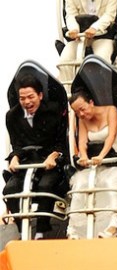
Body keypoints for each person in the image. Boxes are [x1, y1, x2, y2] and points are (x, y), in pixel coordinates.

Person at [3, 74, 68, 239]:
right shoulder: (12, 116)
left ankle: (42, 228)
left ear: (40, 95)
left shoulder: (54, 112)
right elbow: (16, 144)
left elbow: (61, 142)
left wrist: (53, 156)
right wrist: (14, 158)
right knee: (10, 190)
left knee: (46, 186)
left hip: (49, 159)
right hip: (26, 160)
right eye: (22, 98)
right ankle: (21, 227)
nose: (27, 102)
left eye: (31, 97)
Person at [66, 90, 117, 239]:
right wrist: (83, 156)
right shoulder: (82, 119)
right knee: (81, 185)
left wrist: (101, 155)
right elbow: (82, 143)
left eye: (83, 109)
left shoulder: (111, 110)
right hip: (97, 161)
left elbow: (111, 136)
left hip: (116, 157)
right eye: (77, 112)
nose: (81, 114)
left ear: (91, 102)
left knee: (111, 183)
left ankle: (113, 225)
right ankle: (75, 229)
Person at [57, 0, 117, 82]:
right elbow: (70, 13)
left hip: (102, 36)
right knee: (65, 61)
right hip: (79, 37)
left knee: (102, 59)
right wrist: (73, 29)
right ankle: (69, 94)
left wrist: (94, 28)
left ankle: (100, 94)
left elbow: (110, 15)